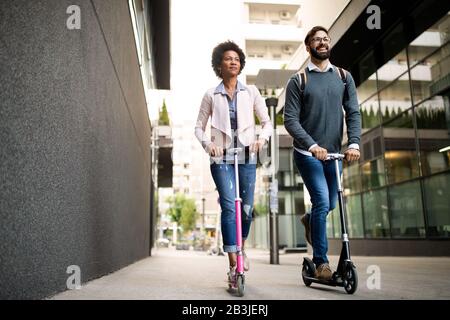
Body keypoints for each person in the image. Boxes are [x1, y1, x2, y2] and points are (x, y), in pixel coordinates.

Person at [283, 26, 361, 280]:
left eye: (325, 39)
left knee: (332, 202)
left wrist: (354, 143)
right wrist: (312, 145)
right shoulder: (298, 80)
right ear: (308, 47)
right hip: (308, 155)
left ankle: (309, 220)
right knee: (322, 200)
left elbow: (353, 112)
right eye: (316, 40)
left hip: (334, 154)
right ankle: (321, 263)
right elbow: (290, 120)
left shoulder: (343, 76)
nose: (322, 42)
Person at [195, 40, 272, 286]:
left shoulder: (251, 92)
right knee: (230, 207)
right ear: (220, 64)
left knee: (247, 209)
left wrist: (261, 140)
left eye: (237, 59)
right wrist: (209, 145)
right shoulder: (211, 94)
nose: (233, 62)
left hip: (248, 156)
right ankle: (233, 265)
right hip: (221, 158)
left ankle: (241, 247)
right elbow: (199, 128)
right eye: (228, 58)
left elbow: (267, 122)